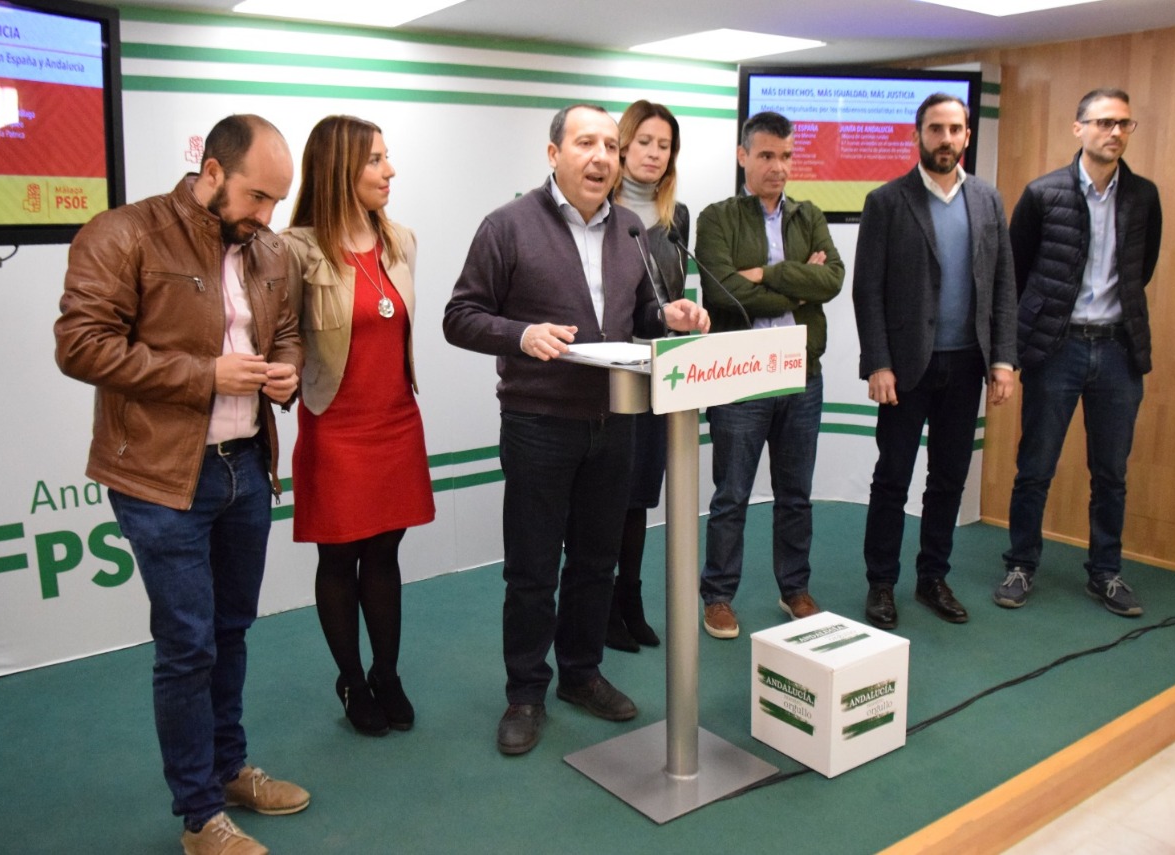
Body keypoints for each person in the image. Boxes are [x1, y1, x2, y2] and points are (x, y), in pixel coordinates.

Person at [54, 114, 309, 855]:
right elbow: (81, 345)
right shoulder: (123, 234)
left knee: (230, 631)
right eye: (257, 197)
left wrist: (286, 371)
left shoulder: (268, 250)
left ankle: (228, 770)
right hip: (161, 476)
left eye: (277, 201)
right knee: (188, 646)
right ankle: (200, 818)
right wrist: (205, 374)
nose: (268, 217)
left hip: (246, 468)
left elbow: (286, 331)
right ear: (212, 172)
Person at [443, 104, 709, 756]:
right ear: (553, 153)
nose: (601, 157)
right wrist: (521, 334)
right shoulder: (508, 225)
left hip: (614, 420)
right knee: (533, 568)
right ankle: (525, 692)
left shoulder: (630, 229)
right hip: (539, 422)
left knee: (596, 560)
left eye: (610, 146)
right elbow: (460, 316)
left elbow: (638, 316)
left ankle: (581, 673)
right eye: (586, 143)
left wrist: (669, 316)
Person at [282, 116, 435, 737]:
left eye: (386, 157)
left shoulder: (401, 241)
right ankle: (350, 679)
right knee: (339, 555)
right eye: (374, 160)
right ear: (338, 168)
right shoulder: (295, 250)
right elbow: (284, 338)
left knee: (385, 552)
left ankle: (387, 673)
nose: (389, 170)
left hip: (396, 420)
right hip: (336, 427)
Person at [994, 88, 1162, 617]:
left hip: (1117, 350)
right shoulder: (1043, 194)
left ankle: (1106, 573)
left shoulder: (1143, 196)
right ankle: (1021, 565)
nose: (1115, 132)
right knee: (1035, 467)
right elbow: (1016, 272)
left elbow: (1142, 269)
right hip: (1056, 348)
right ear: (1079, 128)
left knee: (1111, 473)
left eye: (1124, 124)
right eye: (1104, 122)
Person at [853, 93, 1018, 630]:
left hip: (967, 365)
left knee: (948, 479)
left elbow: (1002, 284)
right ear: (917, 135)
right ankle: (881, 583)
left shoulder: (988, 200)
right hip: (905, 369)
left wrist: (1003, 359)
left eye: (954, 129)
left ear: (967, 135)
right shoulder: (886, 201)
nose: (945, 139)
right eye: (935, 129)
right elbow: (867, 291)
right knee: (892, 478)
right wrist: (878, 363)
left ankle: (933, 579)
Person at [694, 110, 844, 640]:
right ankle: (718, 596)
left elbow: (833, 279)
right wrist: (799, 288)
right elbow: (723, 292)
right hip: (741, 374)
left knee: (795, 493)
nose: (777, 167)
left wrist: (769, 274)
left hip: (801, 373)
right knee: (731, 494)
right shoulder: (716, 218)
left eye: (785, 156)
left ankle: (794, 588)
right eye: (765, 156)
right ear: (743, 157)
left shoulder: (809, 215)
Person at [603, 100, 689, 653]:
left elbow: (671, 295)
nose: (655, 154)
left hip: (657, 370)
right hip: (610, 375)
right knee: (608, 497)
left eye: (665, 146)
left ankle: (628, 599)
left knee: (639, 496)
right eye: (646, 142)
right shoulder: (599, 211)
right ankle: (603, 605)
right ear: (623, 145)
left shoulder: (677, 217)